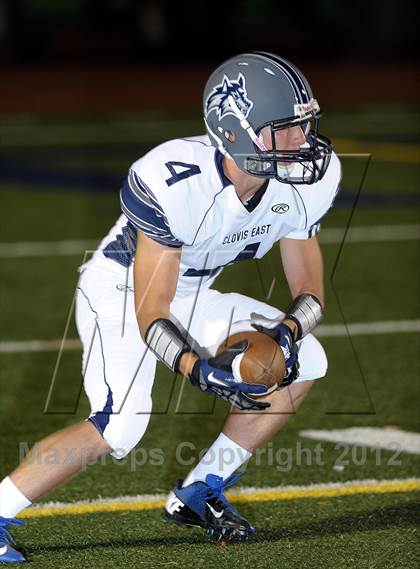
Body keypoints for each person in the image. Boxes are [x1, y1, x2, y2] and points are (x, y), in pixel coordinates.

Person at [0, 51, 340, 560]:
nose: (301, 140)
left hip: (191, 292)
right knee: (120, 424)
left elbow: (309, 287)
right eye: (284, 129)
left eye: (304, 124)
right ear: (233, 130)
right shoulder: (175, 180)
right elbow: (151, 310)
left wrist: (289, 332)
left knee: (307, 359)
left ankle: (199, 491)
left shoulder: (304, 182)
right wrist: (197, 369)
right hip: (121, 291)